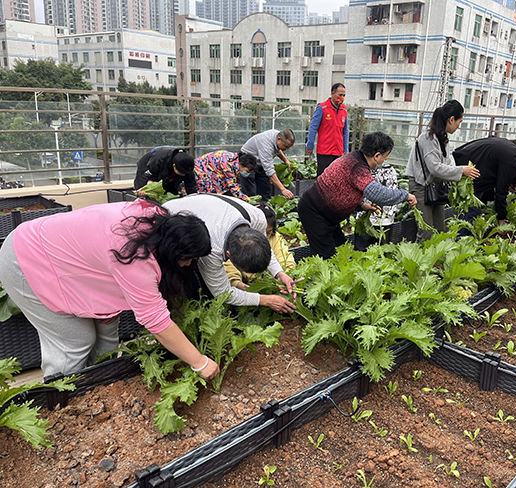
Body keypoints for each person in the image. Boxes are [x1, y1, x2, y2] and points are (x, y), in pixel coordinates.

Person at [0, 200, 218, 379]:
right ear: (174, 252)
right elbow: (156, 320)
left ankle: (100, 384)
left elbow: (102, 255)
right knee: (76, 341)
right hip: (26, 257)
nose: (190, 265)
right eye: (189, 259)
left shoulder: (156, 217)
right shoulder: (136, 257)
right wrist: (199, 362)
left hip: (65, 258)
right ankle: (63, 400)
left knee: (108, 330)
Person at [163, 194, 297, 313]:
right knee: (192, 287)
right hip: (168, 225)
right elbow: (222, 292)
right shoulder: (212, 249)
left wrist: (280, 273)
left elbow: (265, 248)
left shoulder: (258, 218)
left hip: (203, 210)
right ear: (229, 255)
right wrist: (264, 300)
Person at [298, 132, 417, 259]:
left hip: (326, 215)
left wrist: (361, 206)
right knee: (328, 259)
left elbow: (340, 192)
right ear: (377, 156)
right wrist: (406, 195)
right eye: (386, 156)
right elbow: (379, 194)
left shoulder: (355, 159)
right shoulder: (357, 166)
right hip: (315, 213)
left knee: (342, 252)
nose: (385, 160)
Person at [405, 100, 480, 239]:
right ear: (451, 119)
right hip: (421, 187)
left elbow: (448, 161)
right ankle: (420, 260)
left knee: (440, 230)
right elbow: (434, 167)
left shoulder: (442, 137)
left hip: (434, 186)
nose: (459, 126)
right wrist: (461, 171)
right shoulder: (429, 137)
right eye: (460, 121)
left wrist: (460, 172)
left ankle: (438, 260)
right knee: (426, 232)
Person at [453, 137, 516, 226]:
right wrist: (501, 218)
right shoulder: (512, 163)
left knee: (472, 207)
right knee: (472, 209)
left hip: (468, 158)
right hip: (469, 165)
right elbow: (501, 192)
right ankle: (462, 238)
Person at [224, 203, 296, 290]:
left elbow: (284, 259)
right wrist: (254, 292)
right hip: (244, 287)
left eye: (268, 232)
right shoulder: (238, 241)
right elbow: (230, 274)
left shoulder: (274, 237)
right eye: (261, 232)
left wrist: (282, 276)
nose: (265, 236)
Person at [306, 83, 349, 176]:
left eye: (344, 95)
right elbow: (313, 127)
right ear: (333, 93)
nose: (342, 97)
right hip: (324, 151)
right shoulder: (322, 108)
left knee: (336, 179)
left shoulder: (344, 110)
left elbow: (345, 131)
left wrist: (345, 149)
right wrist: (310, 144)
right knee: (322, 179)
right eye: (340, 95)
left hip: (338, 152)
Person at [240, 129, 295, 202]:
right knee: (250, 194)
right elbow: (269, 171)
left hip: (260, 163)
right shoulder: (266, 145)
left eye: (289, 147)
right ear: (279, 139)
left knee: (265, 192)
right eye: (286, 146)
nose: (287, 149)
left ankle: (265, 210)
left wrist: (286, 160)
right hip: (247, 162)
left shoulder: (277, 135)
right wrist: (283, 189)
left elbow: (278, 149)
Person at [194, 150, 261, 201]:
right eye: (247, 171)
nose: (248, 174)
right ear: (241, 164)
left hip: (210, 170)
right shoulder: (228, 165)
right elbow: (233, 188)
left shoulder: (234, 160)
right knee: (209, 196)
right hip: (201, 170)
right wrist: (247, 199)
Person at [133, 147, 198, 195]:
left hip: (169, 171)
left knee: (171, 193)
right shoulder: (158, 160)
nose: (184, 175)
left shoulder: (187, 165)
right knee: (147, 194)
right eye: (181, 173)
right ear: (174, 166)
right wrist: (146, 189)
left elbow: (191, 187)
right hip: (148, 166)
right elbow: (151, 178)